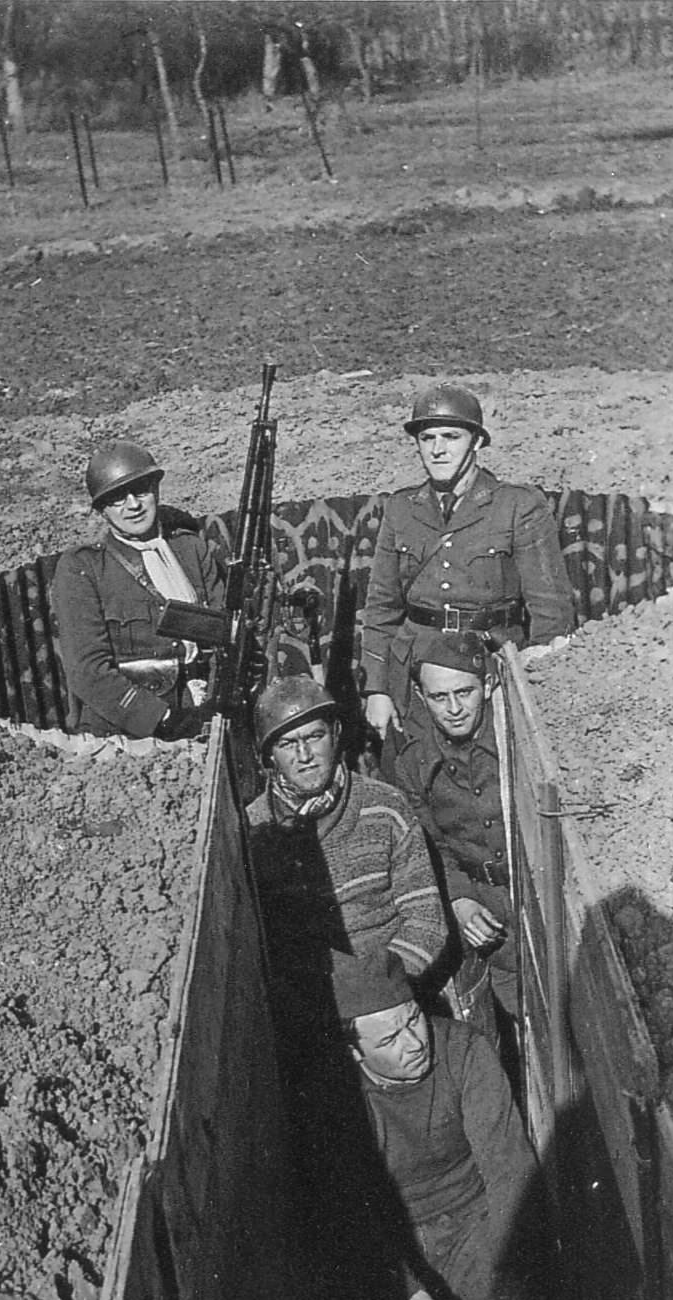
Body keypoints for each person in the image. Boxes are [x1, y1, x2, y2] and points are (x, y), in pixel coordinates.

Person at [313, 948, 559, 1300]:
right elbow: (359, 1224)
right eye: (388, 1040)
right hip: (396, 1250)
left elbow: (510, 1173)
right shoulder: (340, 1101)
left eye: (413, 1020)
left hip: (477, 1225)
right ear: (353, 1051)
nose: (414, 1043)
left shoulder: (463, 1050)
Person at [245, 676, 451, 1072]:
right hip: (314, 1017)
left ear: (336, 735)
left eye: (315, 736)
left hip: (399, 1003)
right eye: (289, 744)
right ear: (269, 756)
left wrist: (379, 1000)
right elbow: (269, 953)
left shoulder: (384, 807)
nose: (305, 754)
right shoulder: (255, 834)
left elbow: (426, 920)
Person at [362, 384, 574, 744]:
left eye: (451, 436)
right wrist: (377, 690)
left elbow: (550, 611)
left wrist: (536, 690)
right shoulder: (401, 509)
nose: (438, 449)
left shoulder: (517, 507)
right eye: (427, 438)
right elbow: (382, 607)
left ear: (476, 441)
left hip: (490, 670)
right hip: (415, 671)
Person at [382, 629, 519, 1050]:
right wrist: (459, 899)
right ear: (422, 698)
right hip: (485, 917)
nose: (455, 709)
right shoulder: (409, 759)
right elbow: (427, 843)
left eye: (465, 692)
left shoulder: (518, 736)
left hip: (539, 898)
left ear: (489, 686)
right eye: (440, 698)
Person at [51, 440, 224, 741]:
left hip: (203, 709)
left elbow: (223, 631)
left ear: (156, 490)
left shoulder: (190, 549)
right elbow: (88, 671)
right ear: (102, 510)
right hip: (128, 730)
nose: (133, 505)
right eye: (117, 498)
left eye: (141, 491)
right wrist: (161, 718)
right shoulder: (85, 568)